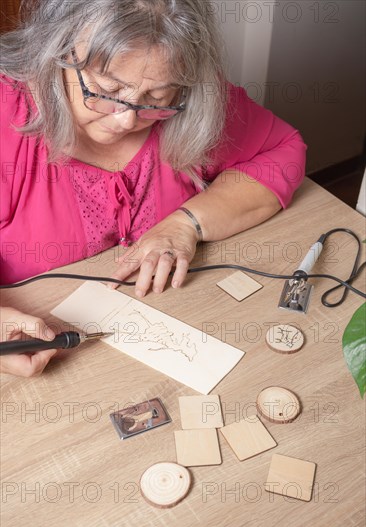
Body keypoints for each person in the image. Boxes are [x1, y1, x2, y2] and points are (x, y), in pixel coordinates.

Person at [0, 0, 307, 376]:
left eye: (156, 99)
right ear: (57, 52)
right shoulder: (6, 116)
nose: (126, 119)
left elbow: (284, 152)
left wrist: (186, 224)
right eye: (105, 89)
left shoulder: (193, 105)